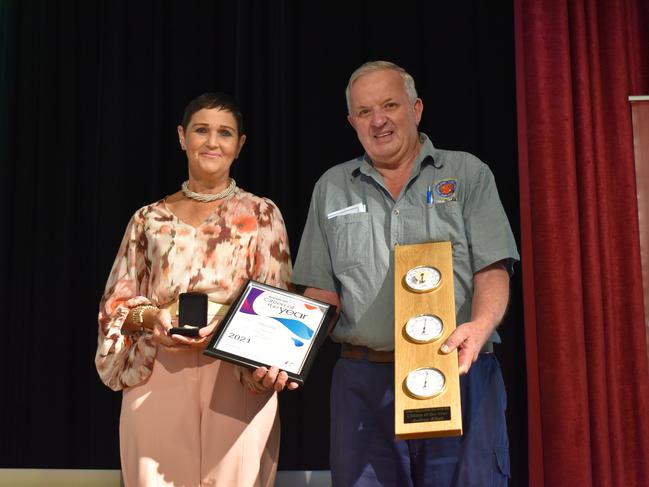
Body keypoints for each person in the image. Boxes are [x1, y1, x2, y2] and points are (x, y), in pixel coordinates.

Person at [292, 61, 520, 486]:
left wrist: (482, 324)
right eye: (364, 112)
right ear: (351, 122)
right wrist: (286, 352)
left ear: (416, 109)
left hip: (459, 371)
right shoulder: (331, 187)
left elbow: (493, 266)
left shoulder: (467, 174)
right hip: (364, 383)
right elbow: (321, 291)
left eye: (390, 105)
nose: (378, 120)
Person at [95, 92, 296, 487]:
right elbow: (115, 307)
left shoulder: (262, 214)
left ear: (239, 146)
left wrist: (240, 341)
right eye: (201, 130)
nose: (212, 141)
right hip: (157, 370)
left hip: (237, 374)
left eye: (225, 133)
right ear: (182, 137)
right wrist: (151, 316)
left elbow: (278, 305)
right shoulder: (147, 219)